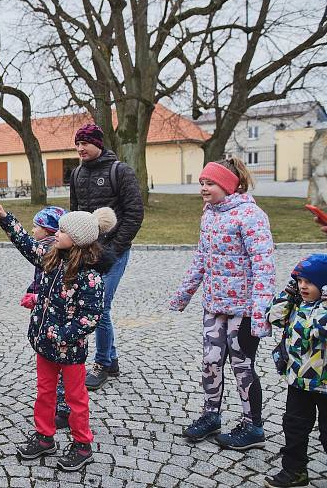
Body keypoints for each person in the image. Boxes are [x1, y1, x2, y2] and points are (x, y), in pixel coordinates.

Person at [0, 202, 116, 471]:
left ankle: (82, 445)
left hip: (69, 351)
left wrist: (62, 334)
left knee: (75, 399)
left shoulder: (90, 276)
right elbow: (26, 243)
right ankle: (45, 436)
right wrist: (5, 219)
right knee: (45, 392)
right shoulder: (51, 257)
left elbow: (90, 317)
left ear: (78, 240)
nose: (55, 234)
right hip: (44, 345)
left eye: (62, 231)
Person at [170, 158, 275, 450]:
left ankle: (253, 426)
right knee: (211, 361)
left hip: (243, 309)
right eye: (202, 183)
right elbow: (202, 258)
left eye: (210, 183)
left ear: (228, 185)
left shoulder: (251, 216)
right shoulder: (209, 215)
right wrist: (184, 293)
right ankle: (211, 415)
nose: (204, 188)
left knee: (242, 365)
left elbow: (264, 266)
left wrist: (260, 313)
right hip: (214, 305)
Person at [69, 123, 144, 390]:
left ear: (98, 144)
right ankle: (110, 361)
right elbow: (74, 213)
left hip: (114, 253)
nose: (80, 148)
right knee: (93, 305)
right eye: (77, 144)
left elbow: (135, 213)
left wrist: (115, 248)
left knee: (100, 307)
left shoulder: (120, 171)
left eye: (85, 143)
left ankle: (101, 363)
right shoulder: (77, 173)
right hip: (87, 254)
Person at [263, 254, 327, 488]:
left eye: (309, 282)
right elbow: (274, 316)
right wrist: (289, 292)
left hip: (324, 385)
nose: (303, 286)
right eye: (299, 281)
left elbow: (319, 329)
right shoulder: (298, 304)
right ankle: (294, 471)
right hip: (299, 382)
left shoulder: (323, 310)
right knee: (294, 427)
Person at [19, 206, 73, 430]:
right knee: (52, 366)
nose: (33, 230)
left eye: (36, 226)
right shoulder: (47, 247)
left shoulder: (52, 252)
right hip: (46, 318)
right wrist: (32, 290)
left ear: (49, 229)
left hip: (58, 322)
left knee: (59, 367)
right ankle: (57, 405)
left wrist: (36, 296)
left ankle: (64, 409)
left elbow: (53, 286)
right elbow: (40, 279)